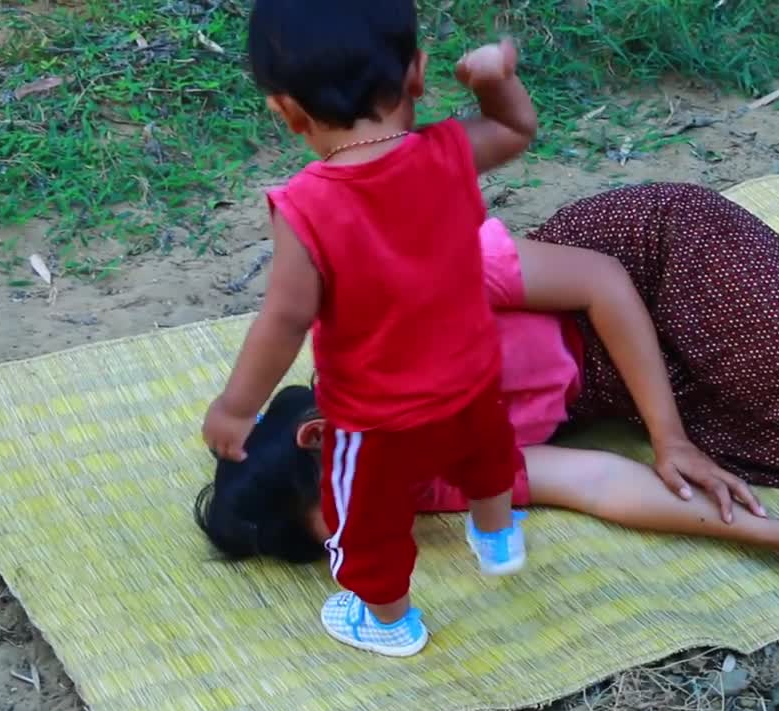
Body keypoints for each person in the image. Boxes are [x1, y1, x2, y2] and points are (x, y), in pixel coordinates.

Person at [195, 183, 779, 603]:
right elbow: (598, 483)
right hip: (626, 379)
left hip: (650, 263)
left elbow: (603, 280)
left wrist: (670, 435)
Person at [200, 0, 539, 658]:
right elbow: (517, 128)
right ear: (416, 73)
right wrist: (493, 79)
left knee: (369, 527)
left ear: (284, 110)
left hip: (379, 425)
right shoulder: (448, 151)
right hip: (473, 383)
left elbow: (286, 318)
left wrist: (237, 406)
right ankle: (496, 533)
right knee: (489, 456)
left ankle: (387, 621)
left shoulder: (307, 206)